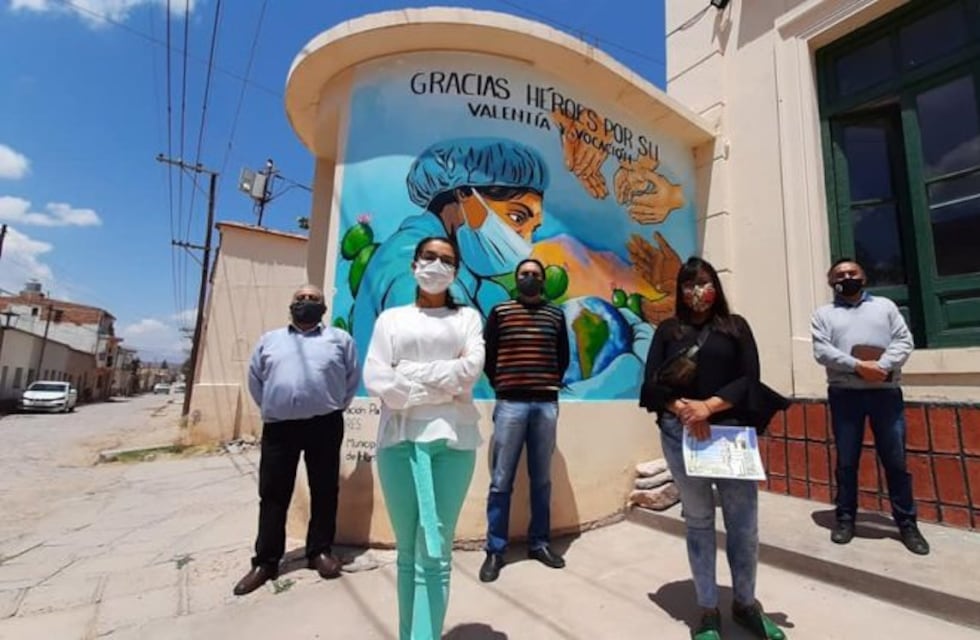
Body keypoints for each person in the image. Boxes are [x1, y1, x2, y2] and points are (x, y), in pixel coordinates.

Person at [640, 257, 786, 640]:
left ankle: (745, 604)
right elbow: (651, 384)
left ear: (715, 287)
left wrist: (708, 407)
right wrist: (685, 410)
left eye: (703, 282)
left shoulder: (735, 327)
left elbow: (749, 379)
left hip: (730, 436)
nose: (697, 291)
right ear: (680, 290)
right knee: (699, 520)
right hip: (680, 434)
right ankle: (707, 610)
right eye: (689, 284)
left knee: (743, 524)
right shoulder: (669, 330)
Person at [363, 236, 485, 640]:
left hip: (453, 443)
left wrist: (407, 375)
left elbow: (470, 370)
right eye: (429, 256)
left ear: (456, 271)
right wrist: (441, 383)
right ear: (414, 264)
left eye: (446, 260)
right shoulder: (391, 320)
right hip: (398, 443)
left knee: (434, 550)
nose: (436, 264)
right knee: (406, 551)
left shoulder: (467, 319)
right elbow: (376, 376)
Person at [234, 285, 360, 596]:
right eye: (300, 298)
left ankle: (319, 552)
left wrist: (331, 406)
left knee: (324, 489)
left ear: (324, 307)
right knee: (273, 494)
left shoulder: (340, 340)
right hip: (280, 427)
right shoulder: (270, 340)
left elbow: (351, 380)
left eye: (313, 299)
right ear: (291, 305)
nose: (306, 302)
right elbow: (255, 380)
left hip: (325, 424)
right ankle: (266, 561)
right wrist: (275, 407)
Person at [810, 258, 928, 555]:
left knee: (895, 461)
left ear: (863, 277)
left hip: (885, 394)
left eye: (852, 272)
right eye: (840, 274)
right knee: (846, 461)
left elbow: (904, 341)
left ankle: (907, 524)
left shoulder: (885, 307)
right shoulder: (823, 314)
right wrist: (858, 366)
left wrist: (881, 366)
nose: (846, 277)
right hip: (845, 395)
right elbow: (822, 350)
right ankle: (845, 519)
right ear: (831, 281)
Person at [479, 258, 570, 583]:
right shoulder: (501, 312)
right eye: (524, 274)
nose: (529, 278)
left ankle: (539, 543)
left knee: (541, 479)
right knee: (501, 480)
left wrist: (547, 382)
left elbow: (563, 357)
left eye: (535, 274)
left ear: (543, 280)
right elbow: (488, 355)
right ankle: (495, 550)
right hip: (510, 404)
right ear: (516, 279)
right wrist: (504, 384)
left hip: (546, 405)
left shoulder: (555, 315)